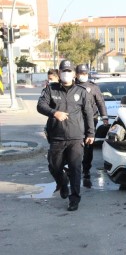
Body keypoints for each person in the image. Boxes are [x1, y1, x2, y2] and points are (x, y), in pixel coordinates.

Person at [37, 59, 95, 211]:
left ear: (74, 73)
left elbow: (88, 113)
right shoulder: (51, 89)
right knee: (54, 166)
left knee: (76, 168)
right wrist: (54, 113)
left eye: (69, 71)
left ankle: (74, 199)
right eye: (64, 71)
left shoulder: (81, 91)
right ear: (59, 72)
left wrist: (91, 133)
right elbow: (40, 106)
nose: (66, 74)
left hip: (76, 137)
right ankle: (63, 183)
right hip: (56, 136)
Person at [75, 63, 108, 188]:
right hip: (76, 121)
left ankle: (86, 169)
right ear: (76, 74)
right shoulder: (72, 86)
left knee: (88, 146)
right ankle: (74, 167)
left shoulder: (93, 87)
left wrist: (104, 117)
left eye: (85, 73)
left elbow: (100, 102)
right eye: (80, 73)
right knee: (75, 144)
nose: (83, 76)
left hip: (91, 120)